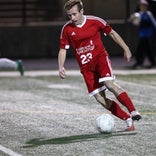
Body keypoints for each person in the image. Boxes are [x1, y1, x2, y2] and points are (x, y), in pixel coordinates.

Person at [58, 0, 141, 131]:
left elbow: (112, 33)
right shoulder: (67, 29)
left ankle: (133, 111)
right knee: (100, 99)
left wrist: (126, 48)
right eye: (69, 15)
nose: (72, 18)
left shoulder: (95, 21)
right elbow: (63, 49)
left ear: (81, 11)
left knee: (109, 83)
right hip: (86, 68)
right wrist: (61, 66)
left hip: (100, 59)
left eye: (74, 14)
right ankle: (127, 119)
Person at [132, 0, 156, 69]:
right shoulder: (138, 14)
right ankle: (139, 62)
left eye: (144, 6)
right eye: (141, 5)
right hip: (142, 35)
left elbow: (154, 23)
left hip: (148, 35)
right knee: (140, 49)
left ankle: (151, 62)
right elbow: (133, 22)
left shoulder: (148, 14)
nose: (142, 7)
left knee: (148, 49)